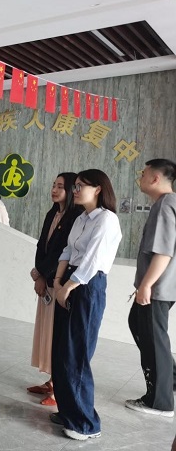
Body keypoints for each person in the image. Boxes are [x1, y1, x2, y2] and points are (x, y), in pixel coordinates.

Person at [51, 169, 122, 440]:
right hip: (69, 280)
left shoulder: (107, 219)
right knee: (61, 350)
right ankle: (68, 411)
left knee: (77, 353)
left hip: (87, 285)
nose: (75, 190)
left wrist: (68, 287)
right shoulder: (81, 218)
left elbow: (93, 260)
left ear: (98, 189)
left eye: (81, 186)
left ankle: (86, 423)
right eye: (75, 186)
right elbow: (68, 251)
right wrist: (58, 282)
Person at [125, 159, 176, 417]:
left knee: (154, 339)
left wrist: (146, 285)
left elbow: (164, 252)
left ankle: (160, 402)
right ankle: (170, 380)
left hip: (158, 287)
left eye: (144, 173)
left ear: (155, 178)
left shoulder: (166, 204)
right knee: (139, 325)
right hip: (162, 286)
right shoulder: (167, 203)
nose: (141, 177)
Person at [28, 173, 82, 406]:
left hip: (59, 283)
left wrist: (45, 275)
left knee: (57, 335)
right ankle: (51, 381)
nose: (55, 189)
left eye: (61, 186)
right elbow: (42, 245)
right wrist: (38, 273)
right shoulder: (53, 213)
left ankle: (59, 389)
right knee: (46, 332)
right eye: (53, 185)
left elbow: (63, 252)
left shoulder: (75, 216)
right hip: (46, 280)